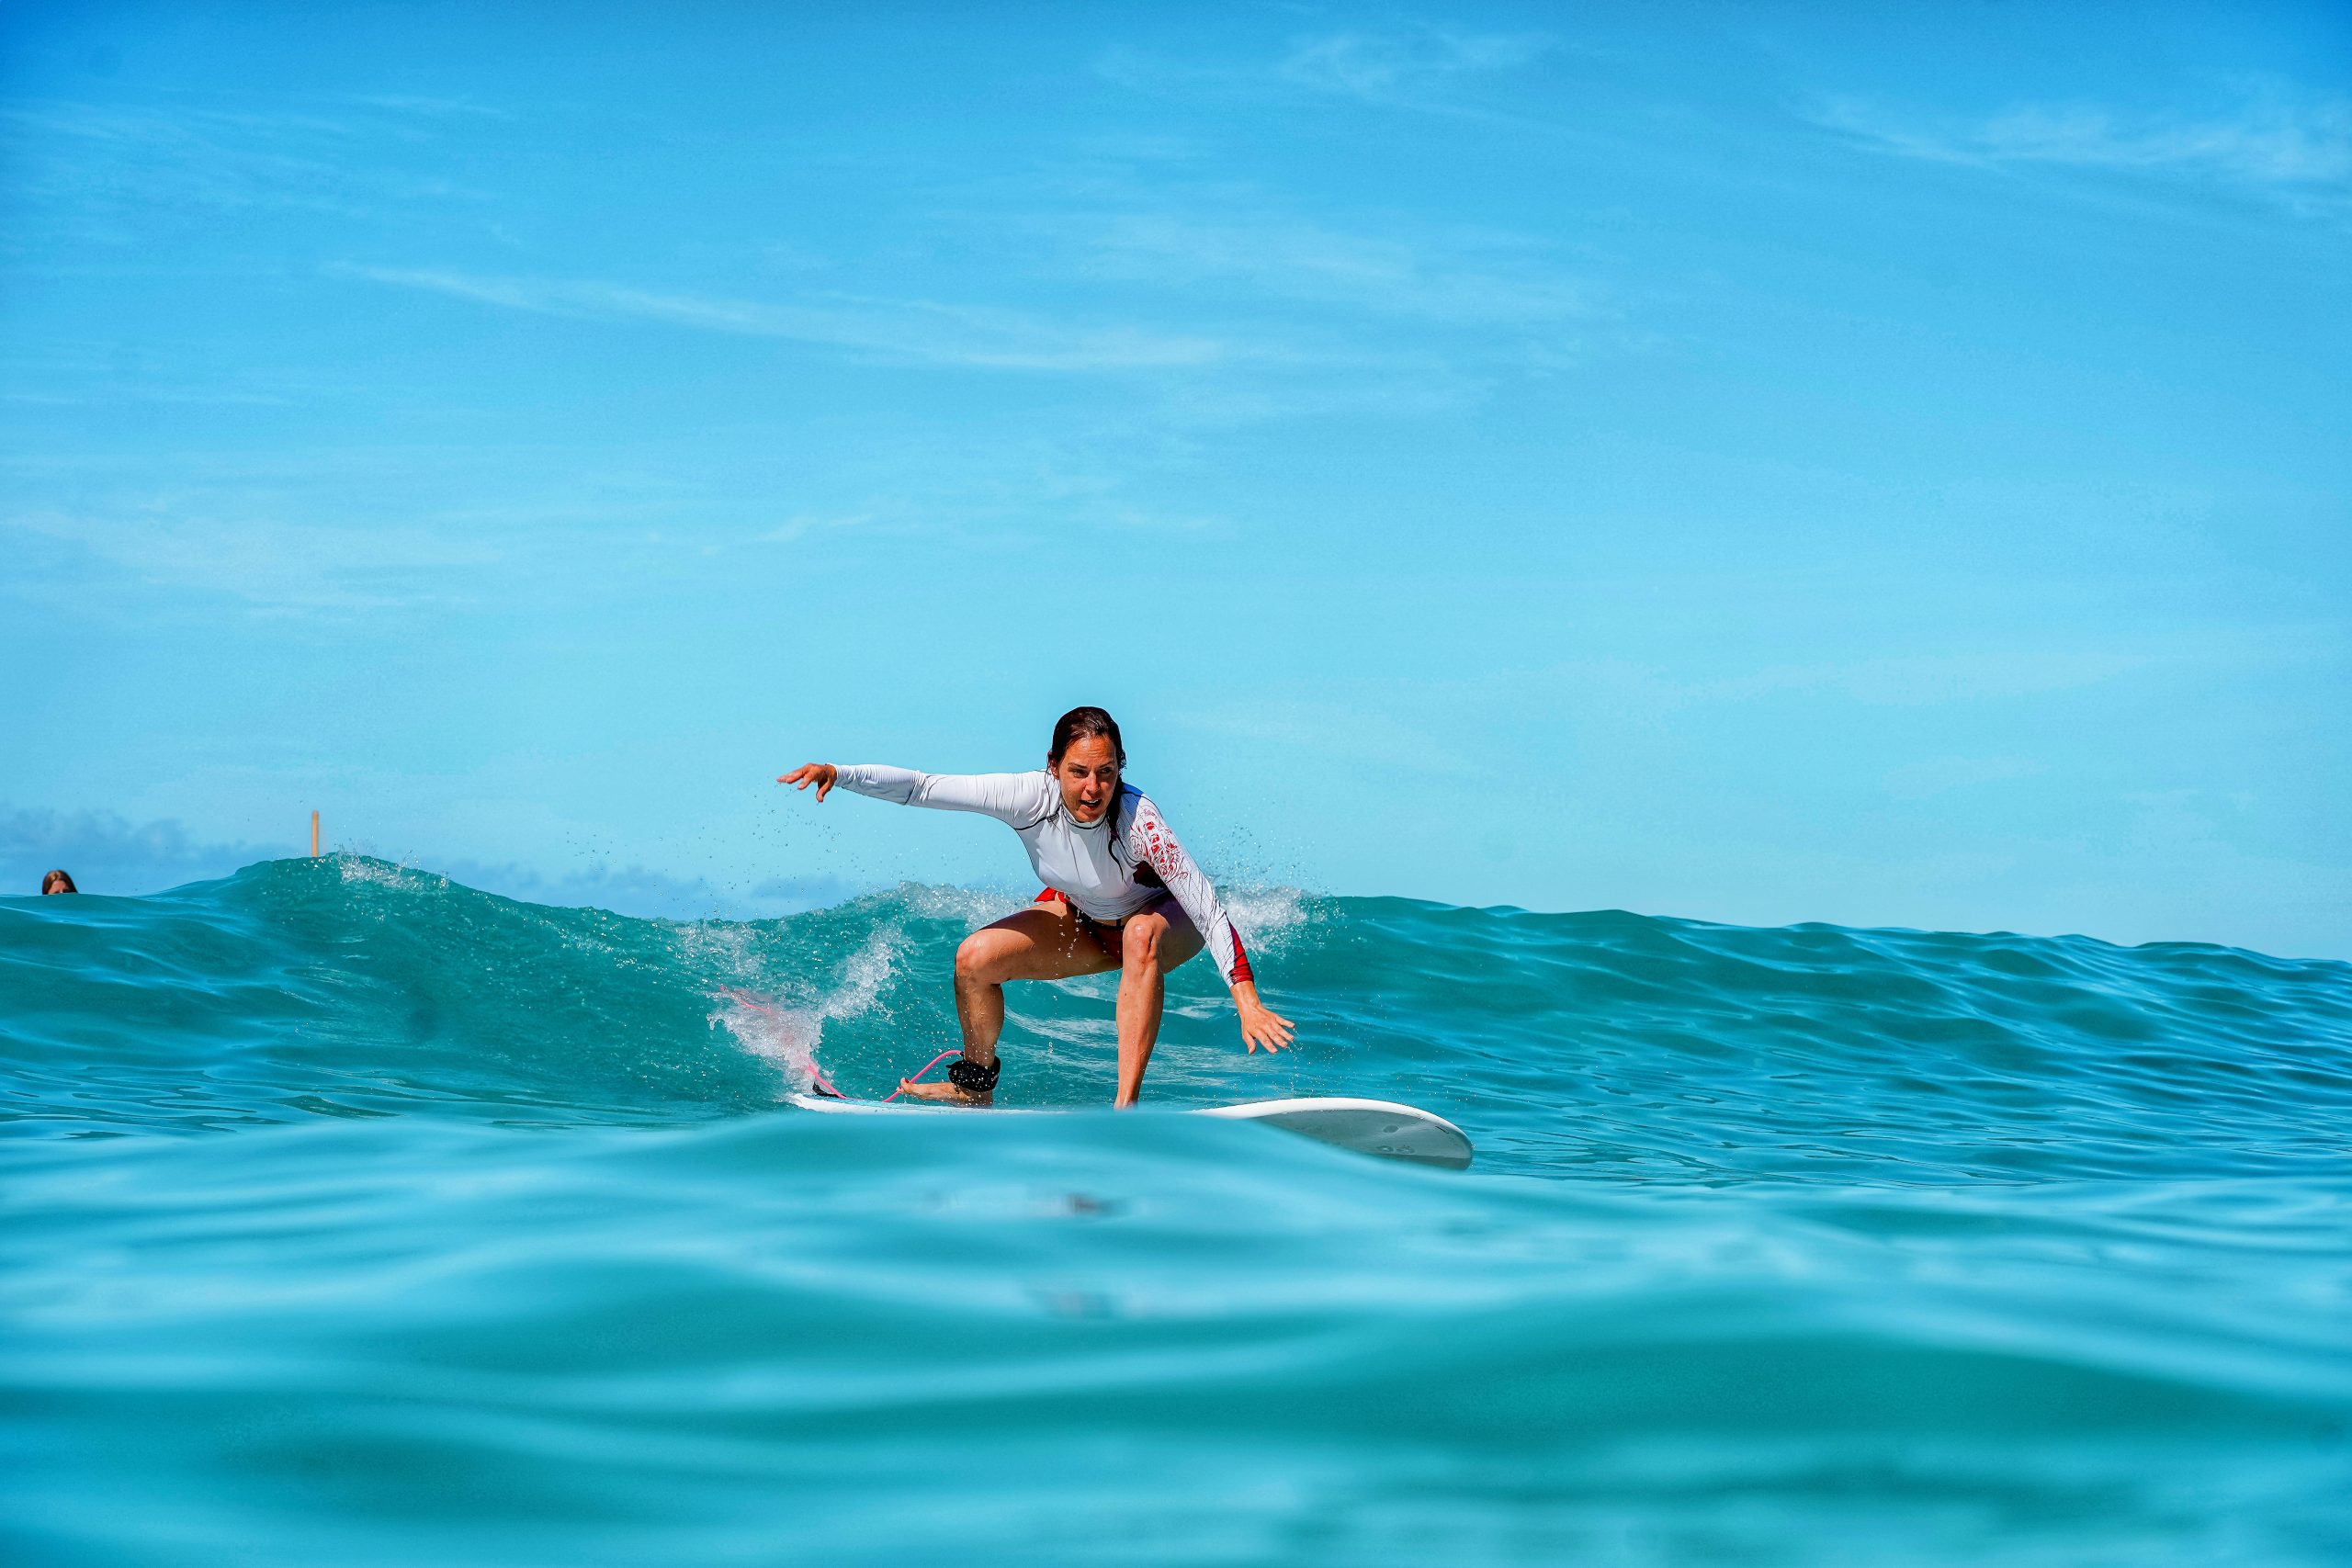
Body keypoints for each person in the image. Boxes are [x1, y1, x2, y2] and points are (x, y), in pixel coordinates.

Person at [779, 706, 1294, 1107]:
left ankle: (1124, 1108)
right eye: (1079, 772)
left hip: (1163, 922)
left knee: (1140, 935)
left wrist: (1245, 998)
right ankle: (975, 1084)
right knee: (974, 958)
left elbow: (1205, 904)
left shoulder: (1140, 821)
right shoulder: (1026, 797)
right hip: (1087, 924)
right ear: (1053, 767)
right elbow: (922, 787)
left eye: (1107, 772)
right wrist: (839, 774)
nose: (1094, 788)